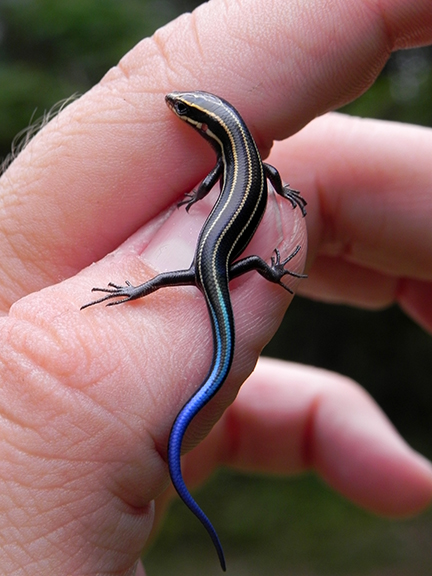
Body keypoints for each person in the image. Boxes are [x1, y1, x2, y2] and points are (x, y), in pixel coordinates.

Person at [0, 0, 431, 574]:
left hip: (209, 262)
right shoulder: (247, 159)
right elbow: (266, 177)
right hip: (218, 263)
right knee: (213, 279)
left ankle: (140, 290)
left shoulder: (229, 164)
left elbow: (228, 182)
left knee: (186, 277)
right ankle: (165, 287)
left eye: (185, 111)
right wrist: (269, 252)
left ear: (207, 127)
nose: (176, 112)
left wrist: (144, 282)